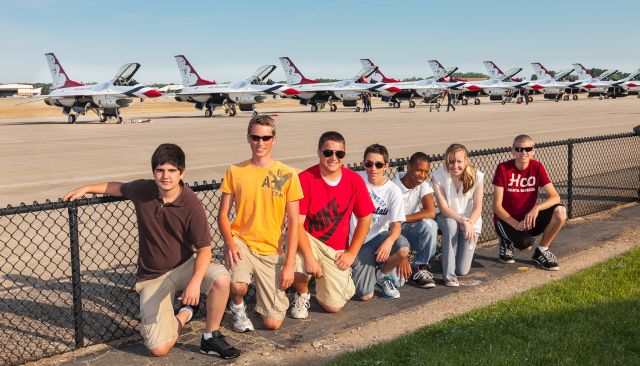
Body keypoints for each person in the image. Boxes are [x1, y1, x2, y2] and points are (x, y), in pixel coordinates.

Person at [63, 144, 240, 359]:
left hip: (184, 265)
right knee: (159, 349)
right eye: (160, 170)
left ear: (182, 172)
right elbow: (118, 187)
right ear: (154, 172)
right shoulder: (144, 190)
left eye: (172, 170)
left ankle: (210, 337)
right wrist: (87, 188)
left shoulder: (191, 204)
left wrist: (195, 282)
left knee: (221, 278)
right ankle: (184, 314)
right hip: (152, 277)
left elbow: (204, 249)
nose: (165, 176)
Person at [218, 115, 303, 332]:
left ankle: (265, 301)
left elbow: (294, 222)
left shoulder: (288, 174)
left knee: (273, 324)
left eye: (266, 138)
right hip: (242, 243)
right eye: (255, 137)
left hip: (271, 249)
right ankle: (238, 308)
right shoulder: (234, 171)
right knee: (237, 285)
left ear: (274, 139)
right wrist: (230, 243)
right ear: (248, 138)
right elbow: (223, 214)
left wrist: (289, 264)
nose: (260, 143)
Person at [290, 131, 374, 318]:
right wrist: (310, 258)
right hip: (308, 239)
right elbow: (297, 225)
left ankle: (332, 282)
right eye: (328, 152)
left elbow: (365, 218)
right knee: (297, 263)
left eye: (339, 154)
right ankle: (302, 293)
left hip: (334, 249)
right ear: (319, 152)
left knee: (333, 307)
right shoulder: (305, 179)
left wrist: (351, 253)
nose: (333, 157)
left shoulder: (354, 180)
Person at [493, 134, 567, 270]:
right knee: (526, 247)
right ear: (513, 150)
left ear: (534, 151)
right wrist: (515, 224)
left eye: (528, 149)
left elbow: (555, 197)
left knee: (560, 211)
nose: (524, 153)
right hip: (506, 220)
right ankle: (506, 241)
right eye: (519, 149)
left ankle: (542, 251)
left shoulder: (537, 167)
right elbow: (497, 207)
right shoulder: (503, 169)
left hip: (528, 217)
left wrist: (537, 208)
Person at [351, 144, 410, 300]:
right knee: (365, 295)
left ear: (386, 166)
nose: (373, 168)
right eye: (369, 164)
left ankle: (382, 274)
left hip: (378, 237)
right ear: (363, 163)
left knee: (403, 249)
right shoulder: (355, 180)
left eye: (378, 164)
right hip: (357, 242)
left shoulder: (393, 190)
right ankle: (370, 269)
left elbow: (397, 225)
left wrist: (389, 241)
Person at [431, 144, 484, 287]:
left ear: (466, 160)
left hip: (470, 221)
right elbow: (444, 208)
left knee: (463, 270)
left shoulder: (477, 176)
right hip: (448, 217)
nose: (455, 165)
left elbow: (478, 207)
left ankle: (446, 256)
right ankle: (449, 276)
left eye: (459, 161)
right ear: (446, 161)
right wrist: (462, 221)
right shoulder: (438, 176)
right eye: (451, 161)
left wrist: (469, 223)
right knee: (451, 224)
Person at [391, 152, 438, 289]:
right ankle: (387, 262)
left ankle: (420, 267)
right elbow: (389, 226)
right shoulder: (393, 187)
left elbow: (430, 212)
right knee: (398, 283)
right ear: (409, 167)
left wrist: (402, 219)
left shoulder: (423, 185)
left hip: (406, 227)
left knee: (430, 225)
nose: (422, 175)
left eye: (426, 172)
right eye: (419, 170)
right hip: (392, 232)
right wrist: (402, 256)